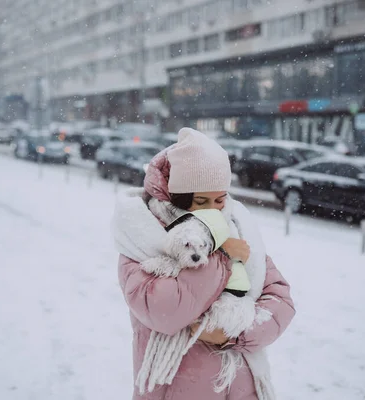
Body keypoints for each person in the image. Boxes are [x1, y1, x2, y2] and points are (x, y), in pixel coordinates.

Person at [113, 128, 295, 399]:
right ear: (177, 196)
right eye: (201, 201)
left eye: (219, 199)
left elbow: (280, 299)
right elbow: (165, 310)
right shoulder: (142, 236)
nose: (213, 210)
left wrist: (233, 334)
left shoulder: (237, 226)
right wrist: (222, 258)